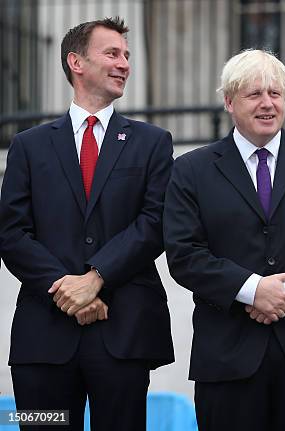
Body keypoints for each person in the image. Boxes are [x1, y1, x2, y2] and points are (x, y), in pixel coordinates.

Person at [163, 49, 285, 431]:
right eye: (255, 94)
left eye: (276, 93)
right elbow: (184, 254)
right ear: (229, 102)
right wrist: (252, 290)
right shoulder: (192, 170)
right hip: (227, 357)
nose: (267, 104)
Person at [0, 17, 174, 430]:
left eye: (127, 56)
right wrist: (67, 289)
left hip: (124, 333)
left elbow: (155, 223)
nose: (125, 64)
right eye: (112, 53)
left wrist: (96, 277)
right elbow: (11, 233)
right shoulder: (28, 146)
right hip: (42, 337)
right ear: (76, 62)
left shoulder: (153, 142)